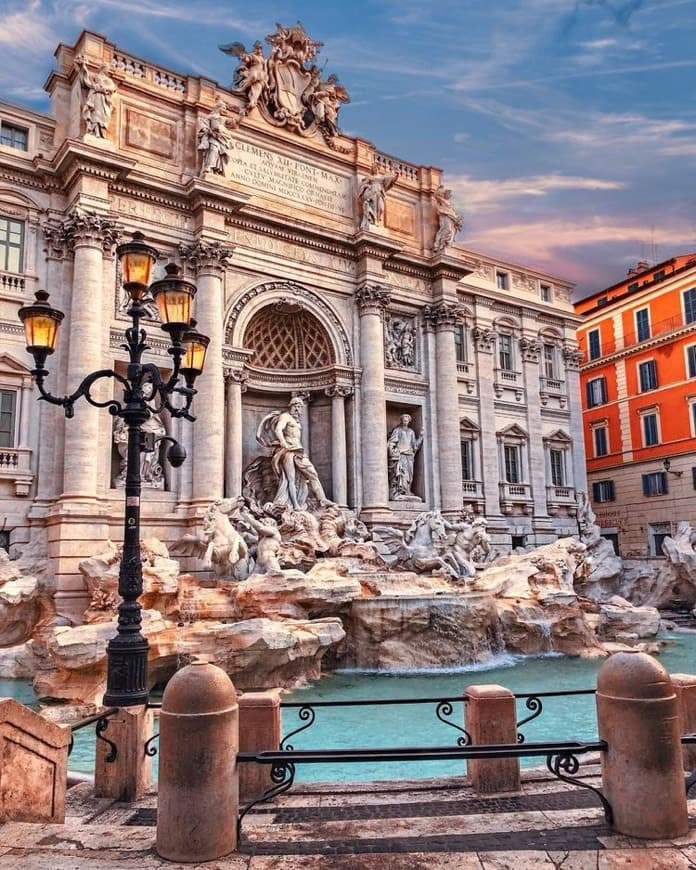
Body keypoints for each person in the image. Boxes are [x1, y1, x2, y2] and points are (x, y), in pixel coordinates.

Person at [256, 396, 333, 511]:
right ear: (290, 406)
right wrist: (283, 443)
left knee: (312, 474)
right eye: (296, 406)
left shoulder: (296, 421)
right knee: (290, 479)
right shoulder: (285, 416)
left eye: (300, 407)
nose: (298, 409)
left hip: (298, 451)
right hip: (288, 452)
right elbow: (278, 429)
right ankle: (295, 505)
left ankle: (322, 499)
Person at [77, 57, 116, 138]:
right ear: (103, 68)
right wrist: (83, 66)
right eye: (107, 68)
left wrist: (102, 88)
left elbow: (113, 88)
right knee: (95, 114)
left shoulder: (109, 80)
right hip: (96, 97)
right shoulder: (95, 77)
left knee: (103, 116)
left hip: (103, 99)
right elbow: (86, 81)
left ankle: (101, 133)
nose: (108, 70)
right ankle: (95, 132)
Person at [387, 414, 424, 499]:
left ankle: (407, 491)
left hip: (410, 456)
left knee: (409, 475)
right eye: (404, 419)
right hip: (401, 455)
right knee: (402, 474)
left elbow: (415, 446)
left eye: (407, 420)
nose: (405, 421)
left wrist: (421, 436)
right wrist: (393, 452)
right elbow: (391, 442)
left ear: (409, 421)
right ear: (401, 421)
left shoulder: (411, 432)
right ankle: (401, 492)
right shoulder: (397, 430)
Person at [197, 101, 237, 176]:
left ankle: (217, 170)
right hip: (213, 137)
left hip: (222, 138)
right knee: (213, 149)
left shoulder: (224, 119)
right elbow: (203, 123)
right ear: (218, 107)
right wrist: (206, 130)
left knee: (219, 153)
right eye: (223, 108)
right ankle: (209, 167)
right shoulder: (211, 117)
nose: (224, 110)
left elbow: (234, 126)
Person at [432, 185, 462, 252]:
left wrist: (457, 219)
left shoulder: (450, 203)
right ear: (445, 194)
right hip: (445, 216)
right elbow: (436, 195)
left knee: (451, 231)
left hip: (451, 218)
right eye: (448, 194)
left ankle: (446, 244)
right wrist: (440, 189)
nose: (449, 195)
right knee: (446, 229)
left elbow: (452, 211)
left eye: (450, 194)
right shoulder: (442, 200)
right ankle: (439, 244)